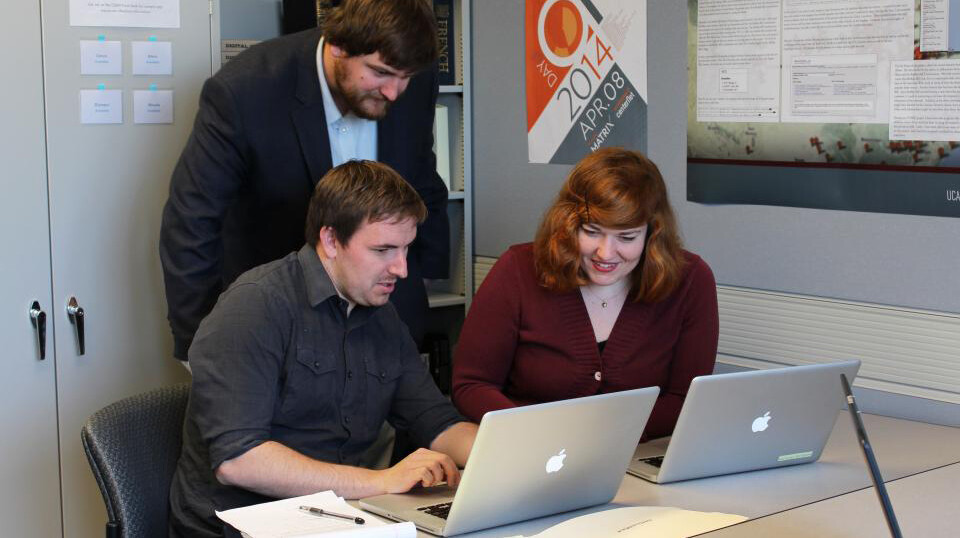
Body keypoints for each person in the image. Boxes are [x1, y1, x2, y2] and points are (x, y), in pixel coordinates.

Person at [169, 161, 477, 537]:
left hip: (340, 518)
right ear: (330, 240)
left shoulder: (382, 316)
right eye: (383, 249)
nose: (401, 269)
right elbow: (239, 460)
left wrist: (510, 460)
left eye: (406, 249)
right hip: (240, 524)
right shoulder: (255, 306)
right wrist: (382, 481)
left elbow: (435, 422)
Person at [160, 0, 448, 366]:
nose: (394, 92)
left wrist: (423, 278)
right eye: (380, 73)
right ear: (338, 46)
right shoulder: (245, 92)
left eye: (404, 77)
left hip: (385, 327)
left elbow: (422, 179)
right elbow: (191, 221)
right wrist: (197, 341)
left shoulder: (413, 79)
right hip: (277, 329)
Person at [452, 148, 718, 440]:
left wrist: (604, 438)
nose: (605, 253)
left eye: (626, 237)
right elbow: (471, 385)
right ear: (568, 224)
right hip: (530, 450)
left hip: (636, 458)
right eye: (591, 232)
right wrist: (535, 435)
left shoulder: (691, 280)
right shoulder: (518, 270)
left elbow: (686, 398)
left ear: (653, 234)